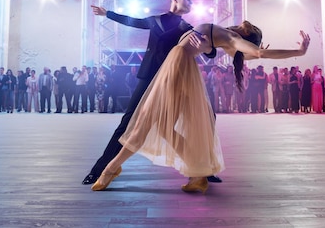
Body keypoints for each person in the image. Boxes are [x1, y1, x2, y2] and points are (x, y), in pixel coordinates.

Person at [90, 22, 310, 193]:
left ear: (244, 34)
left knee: (145, 122)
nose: (244, 25)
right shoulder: (225, 36)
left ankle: (111, 169)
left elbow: (259, 54)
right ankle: (199, 174)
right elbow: (249, 53)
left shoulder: (230, 37)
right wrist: (260, 50)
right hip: (177, 65)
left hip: (179, 66)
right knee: (161, 127)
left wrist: (298, 52)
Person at [82, 0, 199, 185]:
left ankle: (201, 168)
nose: (191, 3)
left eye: (192, 1)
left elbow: (208, 50)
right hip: (147, 78)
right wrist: (107, 13)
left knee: (170, 128)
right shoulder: (155, 20)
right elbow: (131, 21)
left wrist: (212, 48)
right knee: (126, 123)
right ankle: (99, 169)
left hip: (169, 81)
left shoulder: (188, 28)